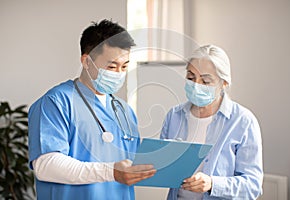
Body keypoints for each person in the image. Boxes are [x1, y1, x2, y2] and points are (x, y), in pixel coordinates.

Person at [28, 19, 156, 200]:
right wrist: (110, 171)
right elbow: (46, 165)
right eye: (111, 66)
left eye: (124, 66)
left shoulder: (124, 111)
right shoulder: (56, 102)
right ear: (87, 61)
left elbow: (131, 167)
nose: (119, 73)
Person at [160, 44, 263, 199]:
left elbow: (252, 186)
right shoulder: (174, 116)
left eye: (206, 81)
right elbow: (163, 167)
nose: (196, 85)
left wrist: (212, 184)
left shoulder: (243, 121)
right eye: (191, 77)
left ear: (224, 84)